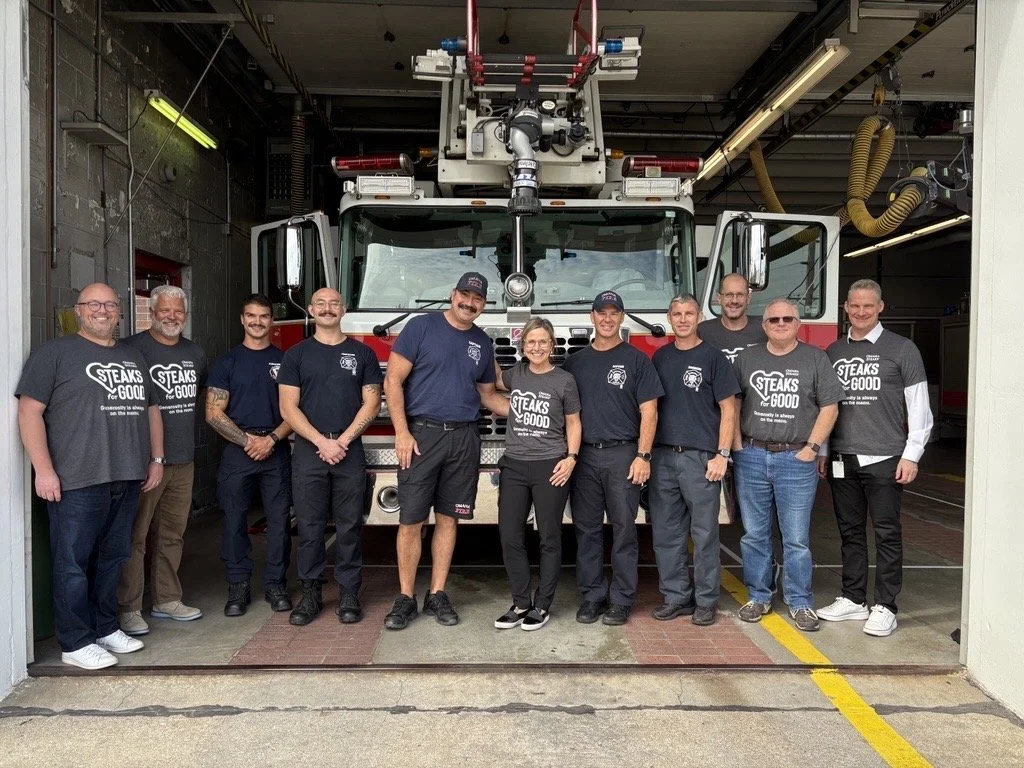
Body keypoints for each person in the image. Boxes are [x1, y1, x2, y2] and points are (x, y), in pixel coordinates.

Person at [16, 283, 164, 670]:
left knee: (112, 558)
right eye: (93, 304)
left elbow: (151, 411)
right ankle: (75, 641)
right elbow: (29, 412)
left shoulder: (134, 356)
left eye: (110, 305)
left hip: (127, 476)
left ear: (119, 312)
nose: (102, 310)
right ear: (79, 311)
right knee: (73, 563)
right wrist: (43, 470)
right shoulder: (54, 354)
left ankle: (104, 627)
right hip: (77, 480)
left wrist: (156, 459)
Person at [382, 272, 509, 630]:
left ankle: (436, 593)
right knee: (411, 520)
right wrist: (402, 433)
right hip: (422, 435)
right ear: (452, 295)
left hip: (465, 438)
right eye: (464, 295)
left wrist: (537, 406)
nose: (469, 303)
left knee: (449, 518)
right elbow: (392, 380)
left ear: (484, 305)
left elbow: (489, 396)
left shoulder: (482, 343)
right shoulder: (421, 328)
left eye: (477, 299)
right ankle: (406, 597)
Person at [817, 279, 933, 637]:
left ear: (880, 307)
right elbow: (826, 406)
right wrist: (823, 449)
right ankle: (853, 598)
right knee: (850, 532)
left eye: (868, 305)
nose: (861, 311)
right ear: (846, 308)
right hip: (842, 457)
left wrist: (911, 455)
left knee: (886, 533)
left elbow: (919, 408)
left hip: (885, 457)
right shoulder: (833, 351)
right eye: (854, 305)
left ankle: (885, 605)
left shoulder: (902, 349)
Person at [732, 298, 844, 632]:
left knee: (796, 538)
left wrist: (811, 448)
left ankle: (800, 601)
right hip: (751, 455)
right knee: (755, 535)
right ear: (764, 325)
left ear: (798, 324)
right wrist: (737, 445)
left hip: (796, 460)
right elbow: (733, 404)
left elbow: (830, 407)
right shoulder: (747, 358)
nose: (780, 323)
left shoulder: (815, 358)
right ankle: (759, 596)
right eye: (774, 319)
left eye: (787, 319)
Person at [278, 288, 382, 626]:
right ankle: (310, 594)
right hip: (309, 451)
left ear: (344, 309)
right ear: (310, 309)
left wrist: (344, 440)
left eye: (334, 303)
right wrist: (322, 441)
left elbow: (372, 403)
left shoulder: (362, 354)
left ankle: (349, 593)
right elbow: (287, 408)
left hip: (349, 452)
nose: (327, 309)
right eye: (320, 304)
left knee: (350, 526)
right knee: (309, 527)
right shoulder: (295, 355)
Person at [563, 290, 663, 626]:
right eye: (601, 313)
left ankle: (621, 599)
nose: (607, 319)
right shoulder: (574, 363)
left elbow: (649, 412)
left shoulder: (636, 360)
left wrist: (643, 455)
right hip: (585, 457)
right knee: (586, 530)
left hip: (623, 454)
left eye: (614, 313)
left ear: (622, 318)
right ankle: (593, 596)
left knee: (624, 531)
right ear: (591, 317)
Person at [117, 285, 207, 636]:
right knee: (134, 537)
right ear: (151, 312)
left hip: (183, 460)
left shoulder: (195, 353)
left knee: (172, 535)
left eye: (178, 311)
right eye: (164, 311)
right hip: (143, 462)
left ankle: (166, 599)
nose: (172, 317)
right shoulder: (130, 349)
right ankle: (128, 608)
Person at [649, 294, 739, 627]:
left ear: (699, 316)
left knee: (704, 535)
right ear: (669, 318)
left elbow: (729, 409)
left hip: (702, 460)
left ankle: (705, 601)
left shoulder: (714, 358)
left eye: (689, 313)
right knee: (666, 534)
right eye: (677, 314)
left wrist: (722, 454)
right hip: (663, 457)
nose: (683, 319)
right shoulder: (660, 357)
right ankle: (675, 597)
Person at [206, 294, 293, 617]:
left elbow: (295, 410)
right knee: (233, 522)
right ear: (242, 320)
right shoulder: (226, 363)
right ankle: (238, 586)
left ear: (272, 321)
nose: (258, 322)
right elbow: (214, 413)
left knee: (280, 522)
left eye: (264, 316)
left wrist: (270, 439)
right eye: (251, 316)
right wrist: (248, 441)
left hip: (277, 448)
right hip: (237, 451)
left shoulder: (286, 361)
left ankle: (276, 585)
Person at [492, 317, 581, 631]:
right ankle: (520, 603)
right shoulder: (516, 374)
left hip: (550, 465)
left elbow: (573, 422)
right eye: (531, 342)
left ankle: (542, 605)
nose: (537, 347)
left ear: (552, 345)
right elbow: (490, 379)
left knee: (549, 537)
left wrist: (571, 457)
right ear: (523, 346)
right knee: (509, 535)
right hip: (514, 464)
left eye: (543, 341)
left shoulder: (564, 381)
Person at [697, 273, 768, 363]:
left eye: (740, 295)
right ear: (719, 298)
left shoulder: (765, 329)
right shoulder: (702, 331)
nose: (734, 301)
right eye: (729, 295)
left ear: (748, 298)